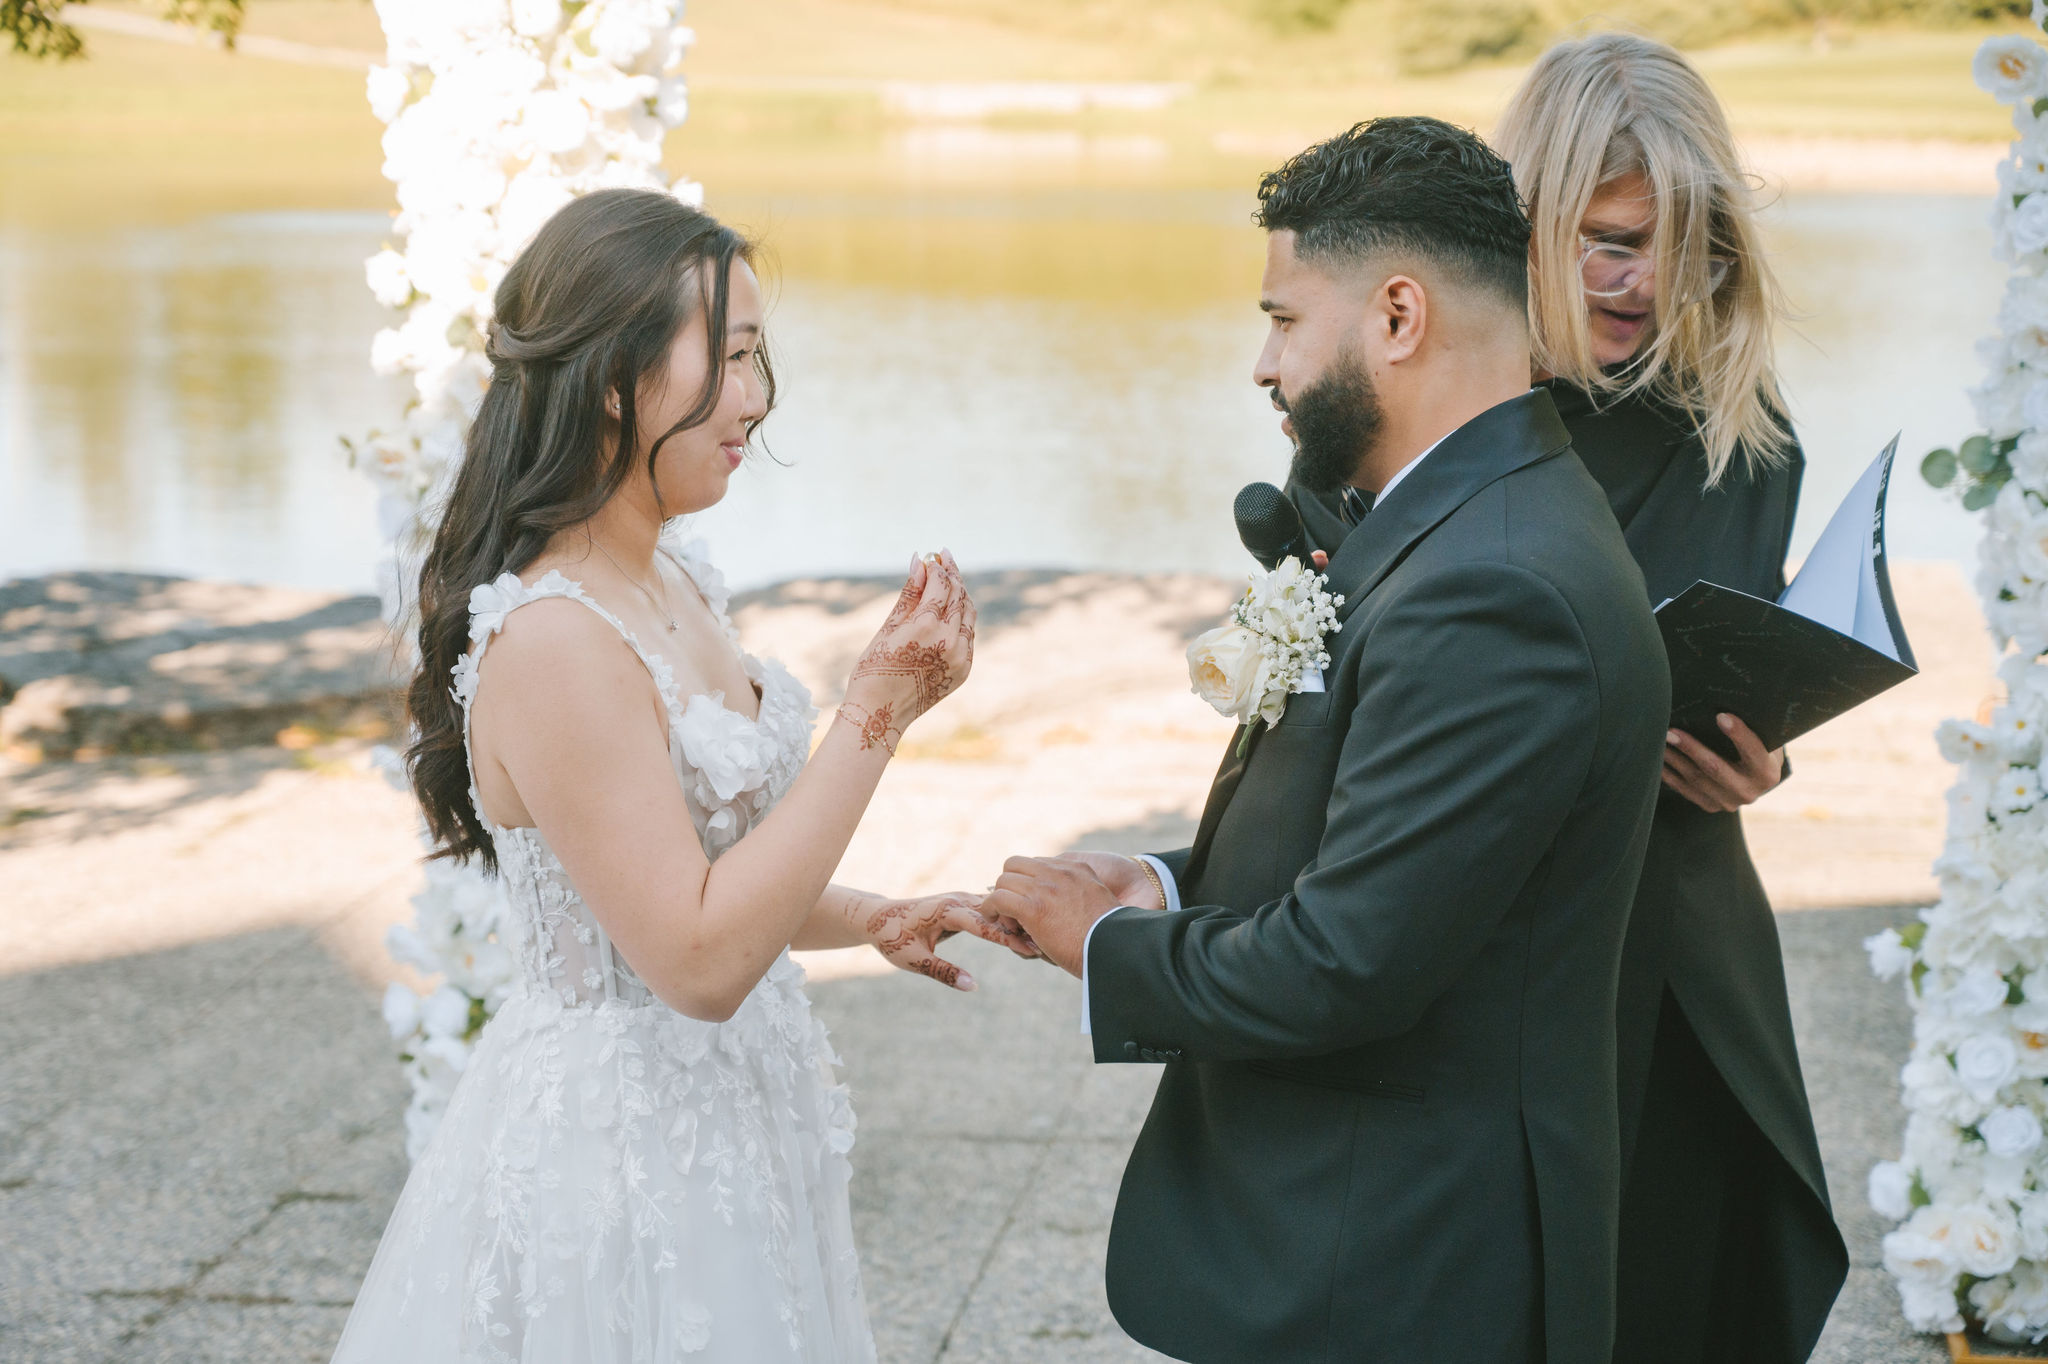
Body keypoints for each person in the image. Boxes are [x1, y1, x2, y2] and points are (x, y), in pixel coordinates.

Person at [983, 117, 1671, 1363]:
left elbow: (1347, 959)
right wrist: (1157, 883)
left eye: (1284, 319)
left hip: (1398, 1261)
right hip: (1366, 1241)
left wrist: (1107, 944)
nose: (1263, 364)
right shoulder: (1463, 521)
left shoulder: (1496, 584)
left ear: (1397, 314)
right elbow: (1384, 854)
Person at [331, 188, 993, 1364]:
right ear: (611, 378)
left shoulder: (670, 571)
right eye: (729, 357)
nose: (755, 396)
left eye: (756, 356)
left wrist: (870, 915)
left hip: (735, 1119)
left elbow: (700, 872)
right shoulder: (556, 640)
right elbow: (692, 959)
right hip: (626, 1154)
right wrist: (873, 715)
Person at [1493, 34, 1850, 1363]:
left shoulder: (1746, 436)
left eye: (1677, 244)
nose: (1639, 279)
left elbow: (1735, 651)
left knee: (1678, 1299)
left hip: (1676, 933)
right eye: (1606, 240)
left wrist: (1764, 757)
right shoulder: (1432, 409)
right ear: (1530, 218)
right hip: (1488, 926)